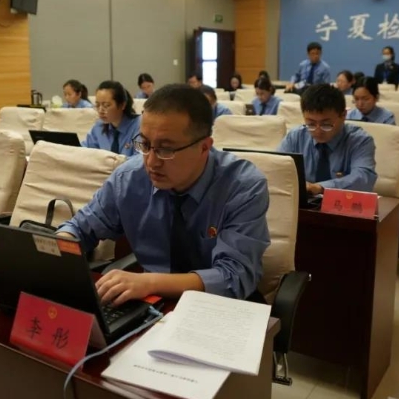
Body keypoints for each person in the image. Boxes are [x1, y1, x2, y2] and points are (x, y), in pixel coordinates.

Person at [59, 84, 270, 304]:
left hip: (220, 306)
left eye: (166, 149)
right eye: (145, 144)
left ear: (204, 147)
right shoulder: (129, 178)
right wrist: (58, 248)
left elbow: (234, 277)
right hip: (154, 303)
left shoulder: (242, 187)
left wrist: (150, 282)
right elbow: (79, 228)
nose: (151, 162)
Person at [277, 84, 377, 195]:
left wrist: (321, 188)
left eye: (326, 124)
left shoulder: (360, 141)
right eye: (311, 124)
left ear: (343, 115)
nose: (318, 131)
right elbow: (277, 169)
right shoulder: (296, 137)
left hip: (343, 203)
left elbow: (364, 178)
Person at [84, 80, 141, 157]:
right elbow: (86, 151)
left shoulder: (139, 126)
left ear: (122, 105)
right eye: (97, 105)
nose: (100, 111)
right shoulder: (99, 127)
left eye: (106, 105)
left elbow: (141, 159)